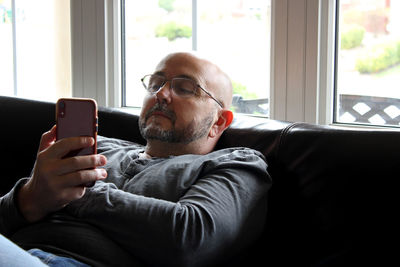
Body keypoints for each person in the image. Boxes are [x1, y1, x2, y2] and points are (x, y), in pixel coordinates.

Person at [0, 52, 272, 267]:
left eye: (185, 88)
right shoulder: (97, 146)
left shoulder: (237, 165)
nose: (161, 94)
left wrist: (76, 191)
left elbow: (191, 240)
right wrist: (29, 197)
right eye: (155, 84)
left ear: (219, 120)